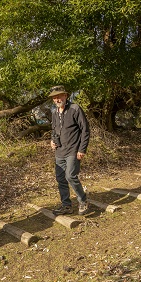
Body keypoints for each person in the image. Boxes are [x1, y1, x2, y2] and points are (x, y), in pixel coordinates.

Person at [49, 86, 90, 216]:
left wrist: (82, 149)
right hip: (59, 151)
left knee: (70, 176)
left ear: (66, 95)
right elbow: (54, 130)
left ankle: (83, 200)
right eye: (55, 97)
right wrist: (52, 141)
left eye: (60, 96)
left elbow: (85, 130)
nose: (57, 99)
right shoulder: (54, 112)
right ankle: (66, 206)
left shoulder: (75, 109)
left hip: (73, 150)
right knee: (61, 179)